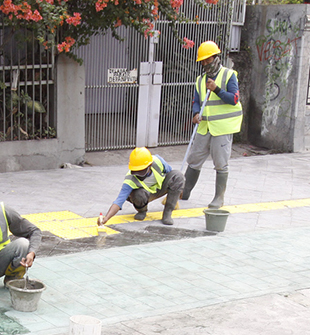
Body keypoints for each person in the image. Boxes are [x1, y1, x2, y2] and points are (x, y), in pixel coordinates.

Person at [180, 40, 243, 209]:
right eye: (203, 61)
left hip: (222, 128)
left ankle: (219, 198)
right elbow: (197, 101)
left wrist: (216, 89)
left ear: (216, 57)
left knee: (220, 162)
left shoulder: (229, 75)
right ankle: (185, 190)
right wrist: (195, 114)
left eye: (208, 59)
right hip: (204, 127)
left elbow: (234, 99)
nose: (206, 63)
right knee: (194, 159)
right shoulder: (200, 79)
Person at [97, 147, 185, 227]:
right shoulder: (130, 180)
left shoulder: (158, 161)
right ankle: (142, 210)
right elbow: (118, 201)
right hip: (143, 194)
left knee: (178, 176)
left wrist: (176, 193)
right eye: (135, 171)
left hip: (159, 188)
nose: (138, 174)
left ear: (149, 166)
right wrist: (106, 218)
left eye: (141, 171)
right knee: (138, 194)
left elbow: (171, 176)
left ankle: (167, 212)